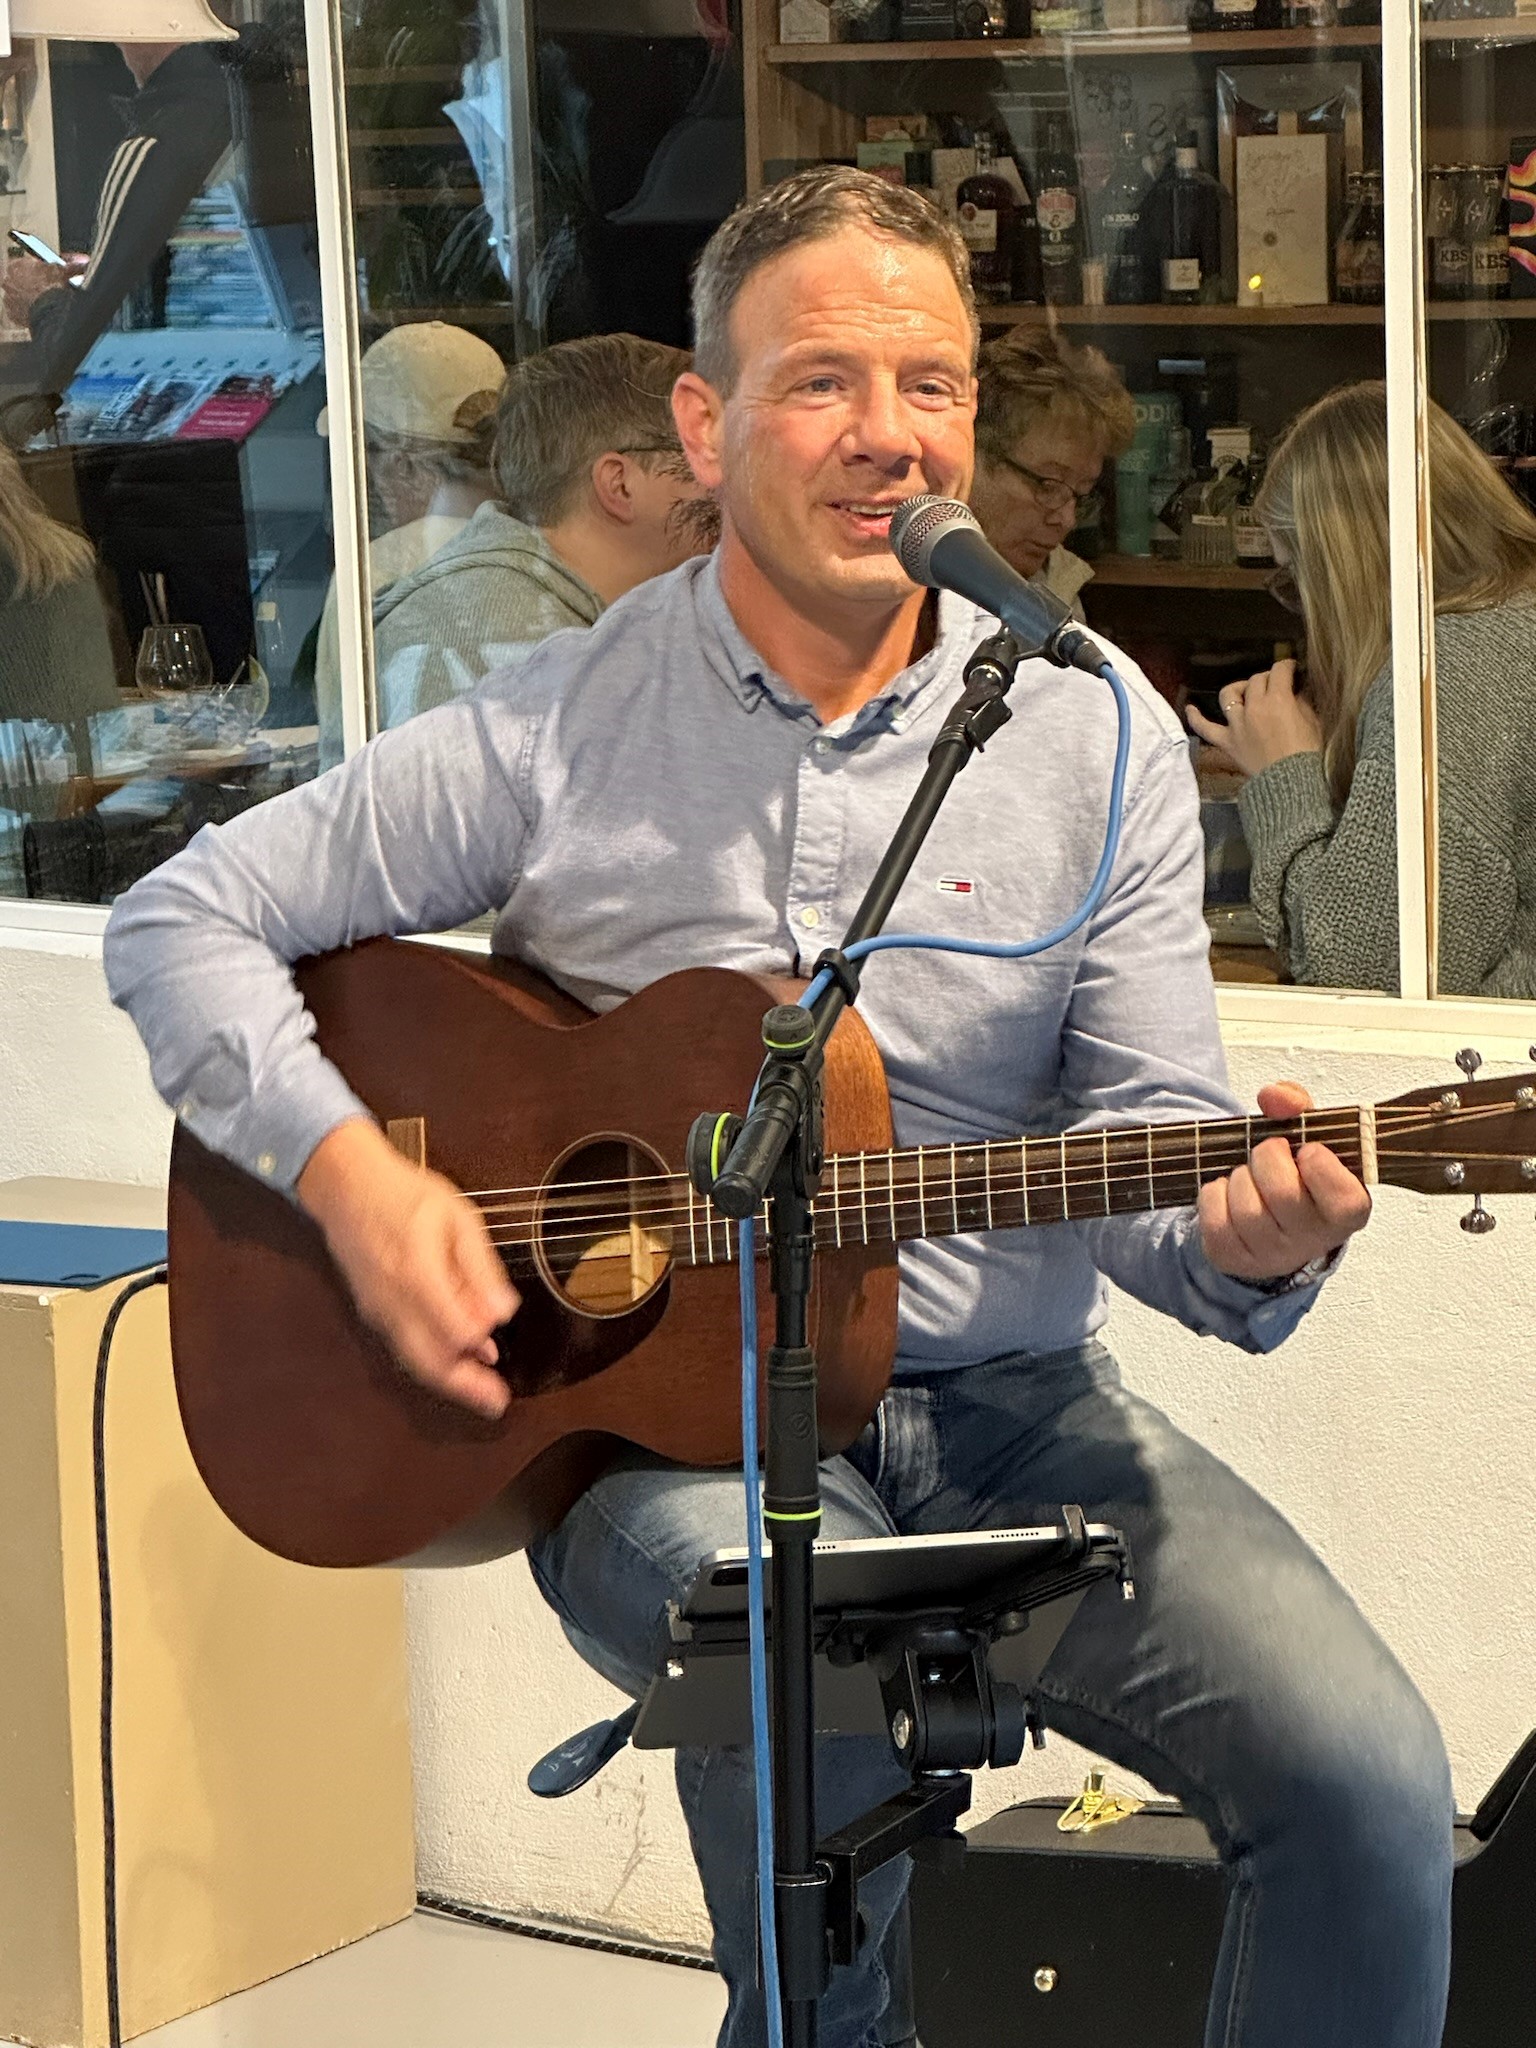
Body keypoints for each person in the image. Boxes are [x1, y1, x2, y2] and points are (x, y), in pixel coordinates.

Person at [102, 170, 1450, 2048]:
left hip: (1014, 1410)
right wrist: (352, 1182)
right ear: (702, 421)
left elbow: (1154, 1160)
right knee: (798, 1685)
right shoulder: (562, 718)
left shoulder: (1098, 733)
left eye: (932, 382)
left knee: (1369, 1783)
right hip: (668, 1435)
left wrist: (1250, 1243)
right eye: (823, 381)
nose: (890, 435)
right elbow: (179, 918)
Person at [1188, 381, 1536, 997]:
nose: (1306, 610)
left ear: (1343, 564)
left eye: (1297, 577)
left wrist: (1286, 772)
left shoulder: (1448, 671)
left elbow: (1364, 971)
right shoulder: (1506, 624)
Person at [368, 332, 719, 729]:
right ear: (619, 484)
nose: (725, 483)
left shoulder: (548, 617)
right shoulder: (498, 643)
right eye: (703, 455)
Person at [2, 29, 238, 398]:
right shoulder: (237, 103)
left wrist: (40, 300)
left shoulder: (148, 146)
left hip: (168, 383)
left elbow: (72, 353)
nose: (113, 40)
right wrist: (101, 269)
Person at [313, 321, 505, 767]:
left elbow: (340, 762)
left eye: (369, 454)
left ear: (404, 465)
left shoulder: (373, 575)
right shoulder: (558, 542)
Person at [967, 324, 1135, 616]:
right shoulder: (899, 592)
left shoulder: (1058, 586)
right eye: (1049, 485)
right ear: (971, 456)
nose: (1067, 521)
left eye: (1080, 496)